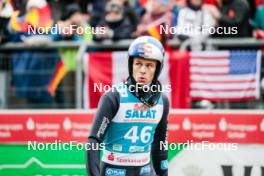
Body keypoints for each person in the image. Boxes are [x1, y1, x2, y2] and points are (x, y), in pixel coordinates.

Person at [86, 36, 169, 176]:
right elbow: (93, 141)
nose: (142, 70)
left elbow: (160, 146)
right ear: (131, 65)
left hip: (145, 171)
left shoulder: (162, 101)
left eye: (149, 65)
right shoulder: (113, 97)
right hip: (113, 171)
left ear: (157, 68)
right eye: (138, 63)